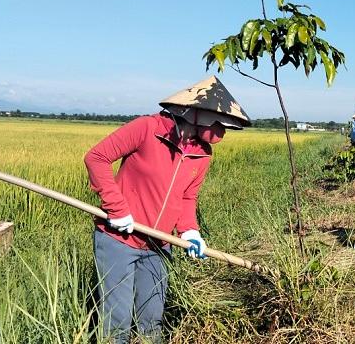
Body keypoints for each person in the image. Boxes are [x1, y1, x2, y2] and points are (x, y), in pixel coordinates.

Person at [84, 76, 251, 343]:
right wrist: (117, 207)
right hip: (119, 240)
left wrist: (189, 231)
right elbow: (96, 158)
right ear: (194, 112)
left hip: (159, 245)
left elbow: (187, 198)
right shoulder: (147, 129)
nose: (222, 132)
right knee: (118, 320)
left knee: (152, 319)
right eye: (219, 123)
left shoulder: (202, 153)